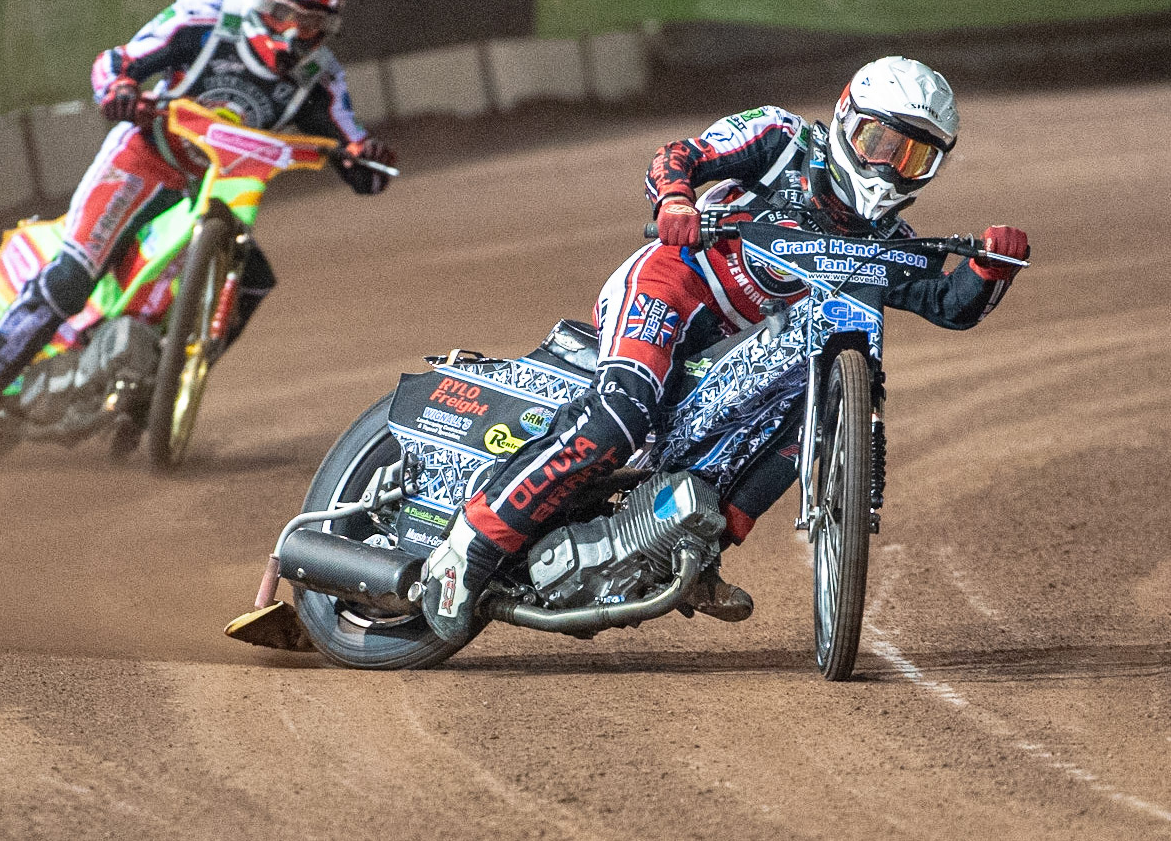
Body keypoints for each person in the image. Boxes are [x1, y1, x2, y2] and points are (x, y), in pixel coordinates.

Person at [420, 55, 1030, 645]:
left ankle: (697, 550)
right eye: (879, 143)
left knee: (809, 410)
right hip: (674, 285)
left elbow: (948, 305)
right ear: (846, 120)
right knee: (622, 416)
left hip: (736, 349)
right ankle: (470, 547)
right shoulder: (783, 138)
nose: (889, 168)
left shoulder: (888, 241)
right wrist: (675, 201)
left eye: (914, 156)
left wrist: (990, 268)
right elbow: (680, 155)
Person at [0, 0, 396, 434]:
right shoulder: (204, 20)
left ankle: (164, 387)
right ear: (261, 0)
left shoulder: (319, 79)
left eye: (312, 24)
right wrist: (120, 89)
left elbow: (355, 149)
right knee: (75, 272)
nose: (296, 34)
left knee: (254, 278)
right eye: (287, 15)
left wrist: (367, 160)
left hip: (220, 189)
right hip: (145, 159)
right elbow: (116, 62)